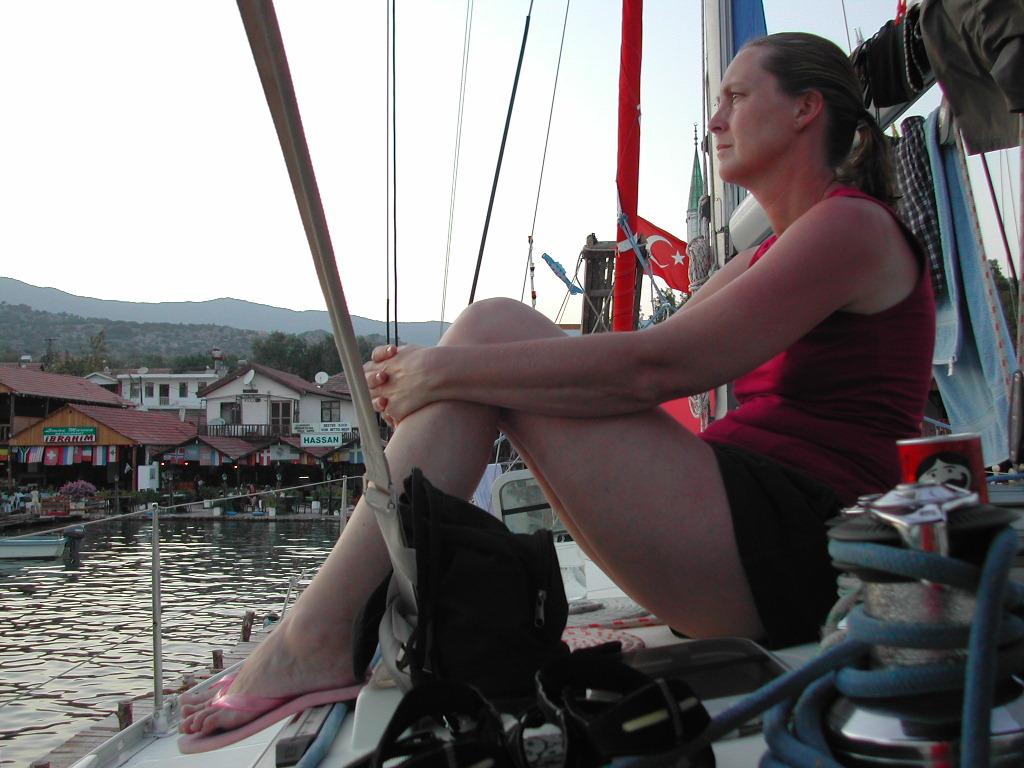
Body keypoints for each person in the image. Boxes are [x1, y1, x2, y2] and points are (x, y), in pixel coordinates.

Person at [180, 32, 934, 743]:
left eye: (737, 96)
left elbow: (658, 369)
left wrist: (443, 370)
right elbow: (630, 358)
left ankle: (314, 636)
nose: (714, 119)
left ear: (806, 109)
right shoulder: (779, 245)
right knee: (488, 340)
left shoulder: (852, 229)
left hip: (801, 549)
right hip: (744, 541)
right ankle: (329, 629)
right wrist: (448, 370)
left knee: (488, 333)